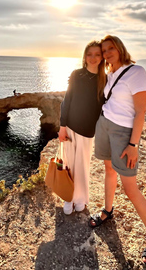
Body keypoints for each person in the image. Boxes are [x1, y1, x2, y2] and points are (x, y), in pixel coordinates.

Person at [89, 35, 146, 267]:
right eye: (104, 50)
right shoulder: (109, 74)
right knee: (109, 170)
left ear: (119, 48)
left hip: (123, 133)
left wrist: (133, 145)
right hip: (104, 125)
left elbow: (140, 112)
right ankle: (107, 211)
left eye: (110, 48)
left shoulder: (136, 71)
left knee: (130, 188)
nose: (107, 53)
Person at [58, 40, 106, 215]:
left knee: (82, 166)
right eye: (89, 54)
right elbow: (67, 101)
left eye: (97, 54)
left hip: (88, 131)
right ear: (84, 56)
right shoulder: (76, 74)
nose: (93, 58)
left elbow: (105, 107)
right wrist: (62, 126)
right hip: (70, 127)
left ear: (102, 58)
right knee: (69, 165)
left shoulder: (105, 80)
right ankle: (68, 198)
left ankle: (80, 199)